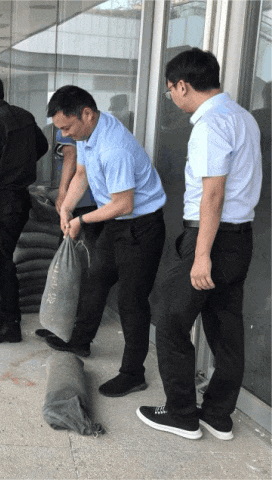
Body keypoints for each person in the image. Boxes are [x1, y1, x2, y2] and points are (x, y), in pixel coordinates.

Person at [138, 48, 262, 441]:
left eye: (170, 90)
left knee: (169, 320)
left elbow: (213, 194)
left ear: (182, 85)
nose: (172, 97)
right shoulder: (243, 118)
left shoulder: (210, 125)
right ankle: (218, 415)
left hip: (211, 238)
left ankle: (181, 414)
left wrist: (201, 255)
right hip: (240, 238)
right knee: (226, 328)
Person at [48, 85, 167, 398]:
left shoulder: (114, 147)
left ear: (87, 114)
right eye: (60, 129)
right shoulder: (89, 133)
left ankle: (133, 374)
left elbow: (124, 204)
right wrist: (67, 207)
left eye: (67, 127)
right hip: (116, 223)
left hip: (141, 228)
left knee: (131, 301)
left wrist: (81, 220)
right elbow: (82, 174)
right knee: (96, 278)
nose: (65, 135)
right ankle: (80, 341)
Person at [0, 71, 48, 344]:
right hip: (21, 199)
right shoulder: (24, 115)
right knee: (6, 260)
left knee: (3, 264)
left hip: (1, 203)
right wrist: (20, 164)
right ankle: (8, 319)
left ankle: (9, 325)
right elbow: (42, 145)